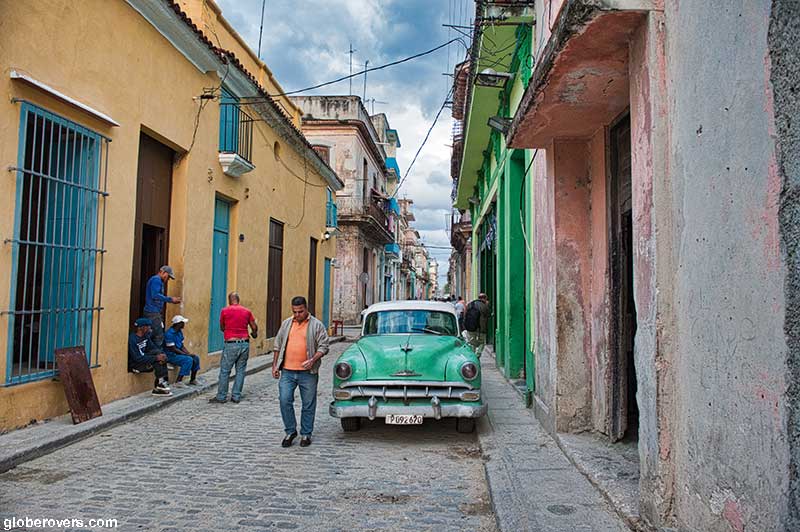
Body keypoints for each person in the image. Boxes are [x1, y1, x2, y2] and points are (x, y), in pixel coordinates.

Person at [272, 296, 330, 448]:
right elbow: (277, 345)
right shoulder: (286, 324)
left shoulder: (316, 325)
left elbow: (324, 346)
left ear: (306, 309)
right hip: (287, 372)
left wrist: (313, 359)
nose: (297, 315)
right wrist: (275, 366)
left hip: (308, 373)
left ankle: (306, 433)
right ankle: (291, 431)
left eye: (300, 312)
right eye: (295, 312)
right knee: (284, 400)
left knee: (308, 404)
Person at [210, 292, 258, 404]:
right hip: (245, 343)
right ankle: (236, 396)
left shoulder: (225, 311)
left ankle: (221, 396)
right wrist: (254, 334)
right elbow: (254, 326)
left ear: (229, 300)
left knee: (225, 371)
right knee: (241, 370)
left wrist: (228, 330)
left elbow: (222, 327)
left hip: (231, 343)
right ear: (238, 300)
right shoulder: (247, 311)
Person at [128, 317, 171, 396]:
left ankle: (161, 383)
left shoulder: (146, 337)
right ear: (142, 328)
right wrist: (156, 358)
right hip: (136, 364)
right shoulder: (132, 339)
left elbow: (152, 348)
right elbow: (137, 358)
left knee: (161, 356)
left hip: (144, 358)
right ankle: (160, 385)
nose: (150, 328)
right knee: (157, 361)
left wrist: (160, 355)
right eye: (148, 326)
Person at [143, 265, 182, 348]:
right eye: (168, 277)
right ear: (163, 272)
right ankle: (156, 355)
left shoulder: (157, 281)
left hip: (154, 312)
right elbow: (155, 295)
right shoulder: (156, 280)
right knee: (158, 335)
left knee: (153, 333)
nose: (167, 279)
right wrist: (171, 299)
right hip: (153, 312)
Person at [163, 315, 201, 388]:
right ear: (178, 323)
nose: (184, 324)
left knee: (195, 358)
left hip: (178, 353)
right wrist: (186, 355)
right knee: (188, 360)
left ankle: (193, 379)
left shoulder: (179, 332)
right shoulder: (169, 334)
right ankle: (178, 381)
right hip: (171, 355)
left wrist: (188, 353)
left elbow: (182, 346)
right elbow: (173, 349)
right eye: (183, 323)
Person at [463, 293, 491, 357]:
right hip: (481, 328)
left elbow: (465, 315)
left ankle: (472, 355)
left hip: (470, 328)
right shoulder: (484, 306)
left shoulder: (470, 304)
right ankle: (477, 355)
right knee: (482, 342)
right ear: (485, 298)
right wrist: (487, 305)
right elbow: (488, 314)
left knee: (472, 342)